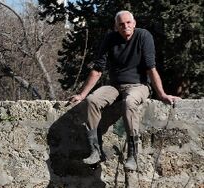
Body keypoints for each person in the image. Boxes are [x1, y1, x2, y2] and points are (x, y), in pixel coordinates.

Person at [68, 10, 180, 171]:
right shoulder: (110, 39)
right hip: (115, 86)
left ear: (134, 24)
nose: (125, 26)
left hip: (138, 85)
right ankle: (95, 151)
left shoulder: (143, 36)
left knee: (129, 102)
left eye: (128, 23)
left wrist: (161, 94)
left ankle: (132, 155)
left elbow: (150, 68)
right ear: (116, 26)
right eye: (121, 24)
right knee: (92, 101)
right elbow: (98, 69)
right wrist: (81, 94)